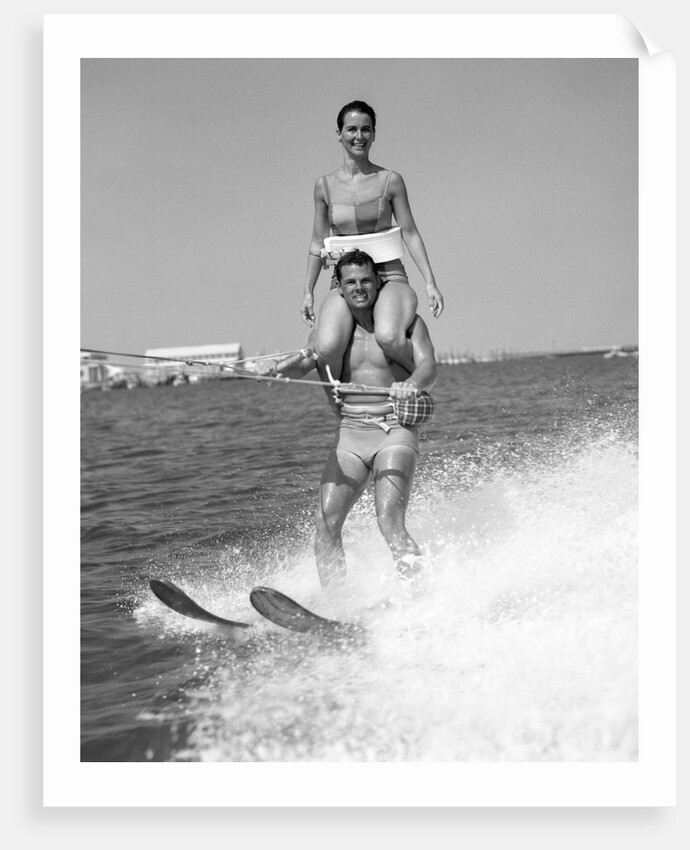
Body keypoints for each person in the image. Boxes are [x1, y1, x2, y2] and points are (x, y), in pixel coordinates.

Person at [274, 250, 437, 592]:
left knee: (389, 520)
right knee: (325, 522)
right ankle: (338, 606)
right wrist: (277, 369)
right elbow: (306, 362)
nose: (359, 288)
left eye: (366, 280)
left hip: (394, 430)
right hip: (351, 433)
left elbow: (429, 367)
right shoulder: (331, 330)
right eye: (351, 282)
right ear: (340, 288)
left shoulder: (407, 322)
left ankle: (422, 595)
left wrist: (412, 384)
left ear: (378, 282)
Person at [301, 100, 444, 381]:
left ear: (374, 135)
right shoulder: (324, 187)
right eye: (351, 129)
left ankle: (420, 382)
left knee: (389, 337)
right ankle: (340, 404)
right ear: (339, 134)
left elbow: (411, 232)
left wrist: (430, 282)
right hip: (345, 281)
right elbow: (317, 242)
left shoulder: (390, 180)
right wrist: (308, 290)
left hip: (388, 276)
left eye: (366, 130)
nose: (359, 136)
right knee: (327, 346)